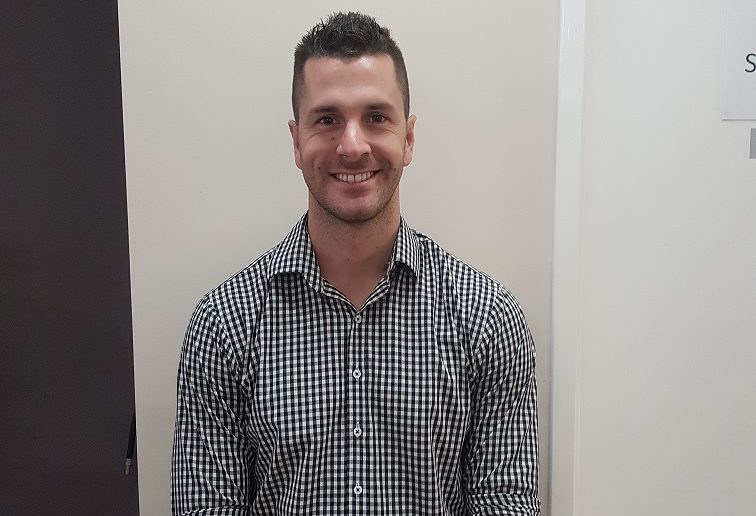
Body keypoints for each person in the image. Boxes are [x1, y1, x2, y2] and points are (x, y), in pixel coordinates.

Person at [171, 11, 540, 515]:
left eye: (376, 117)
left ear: (408, 138)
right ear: (296, 141)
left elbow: (505, 503)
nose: (352, 145)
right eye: (327, 119)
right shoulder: (224, 325)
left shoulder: (488, 319)